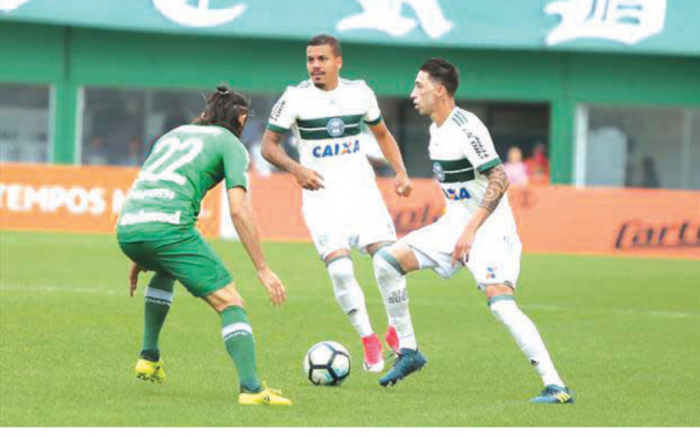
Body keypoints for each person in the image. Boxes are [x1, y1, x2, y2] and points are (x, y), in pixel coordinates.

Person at [372, 59, 573, 404]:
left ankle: (555, 385)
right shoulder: (436, 130)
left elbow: (500, 178)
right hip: (454, 225)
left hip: (491, 229)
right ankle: (408, 350)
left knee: (501, 305)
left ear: (440, 90)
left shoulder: (468, 127)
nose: (412, 93)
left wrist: (469, 231)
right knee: (386, 262)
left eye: (419, 86)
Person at [116, 85, 292, 406]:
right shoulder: (231, 144)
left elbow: (152, 184)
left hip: (129, 226)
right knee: (229, 301)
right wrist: (263, 269)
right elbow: (239, 210)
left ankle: (149, 356)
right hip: (167, 229)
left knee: (167, 270)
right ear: (240, 118)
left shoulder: (173, 135)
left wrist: (140, 252)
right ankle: (252, 390)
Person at [261, 34, 413, 373]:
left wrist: (401, 171)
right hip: (321, 198)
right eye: (310, 60)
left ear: (338, 62)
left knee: (390, 262)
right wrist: (296, 169)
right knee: (342, 269)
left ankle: (395, 331)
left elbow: (383, 134)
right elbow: (268, 146)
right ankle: (368, 340)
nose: (315, 65)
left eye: (322, 59)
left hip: (362, 193)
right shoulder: (294, 97)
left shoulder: (359, 92)